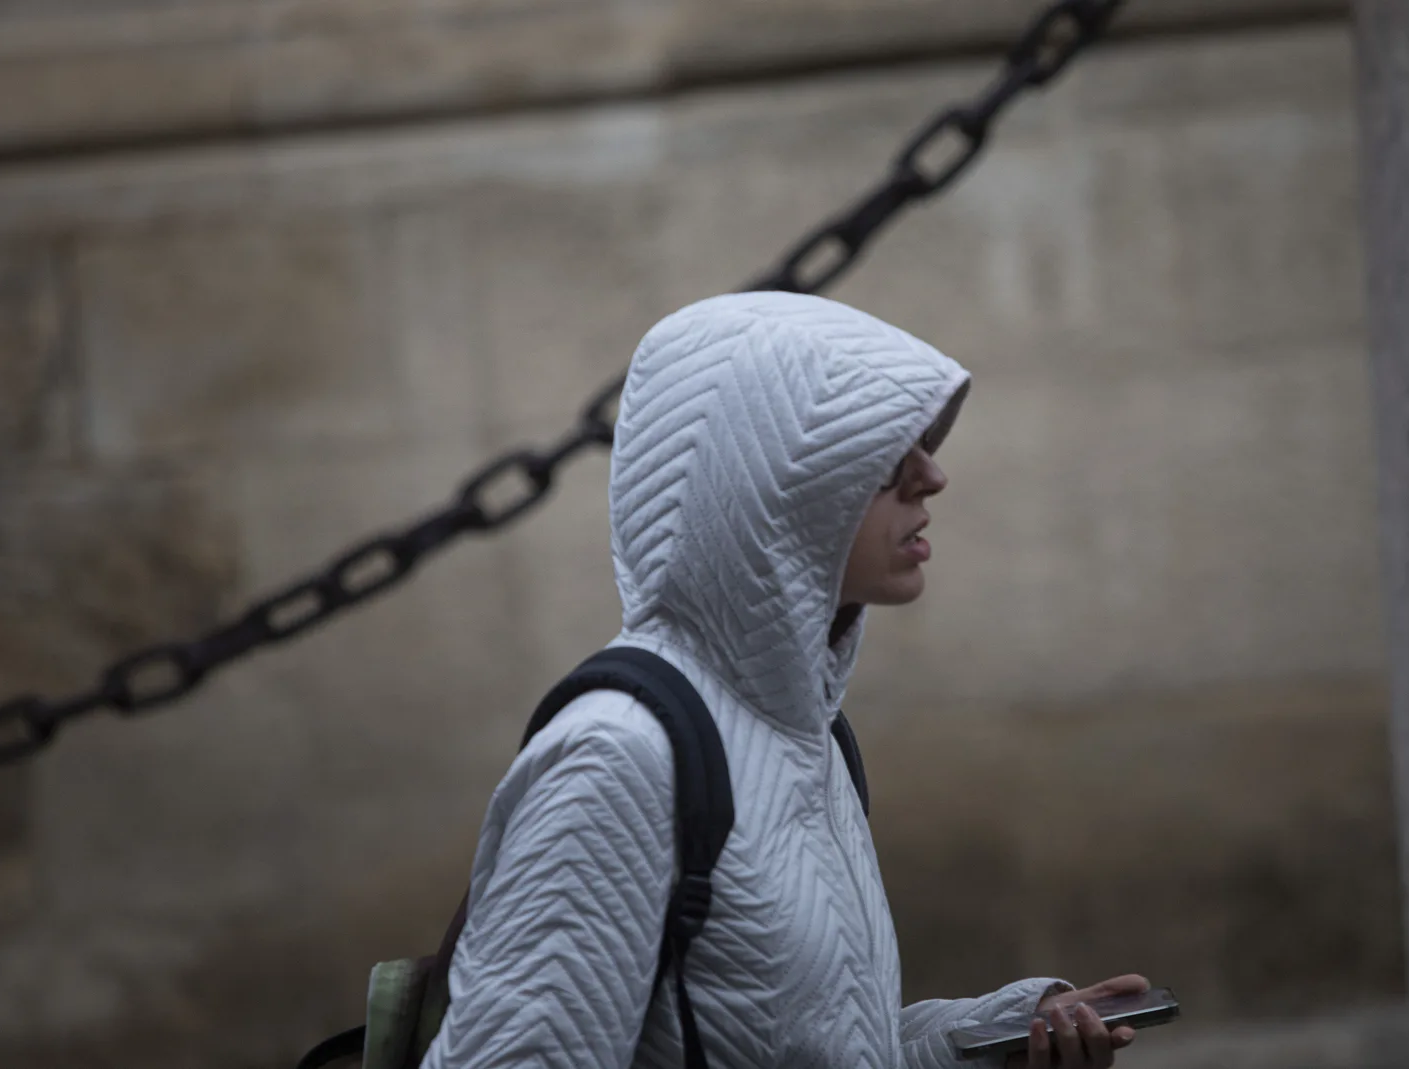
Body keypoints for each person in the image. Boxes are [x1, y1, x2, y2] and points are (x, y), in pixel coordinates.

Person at [422, 292, 1145, 1069]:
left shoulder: (804, 729)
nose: (931, 476)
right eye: (882, 456)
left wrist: (999, 1036)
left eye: (923, 445)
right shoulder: (618, 757)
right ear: (765, 486)